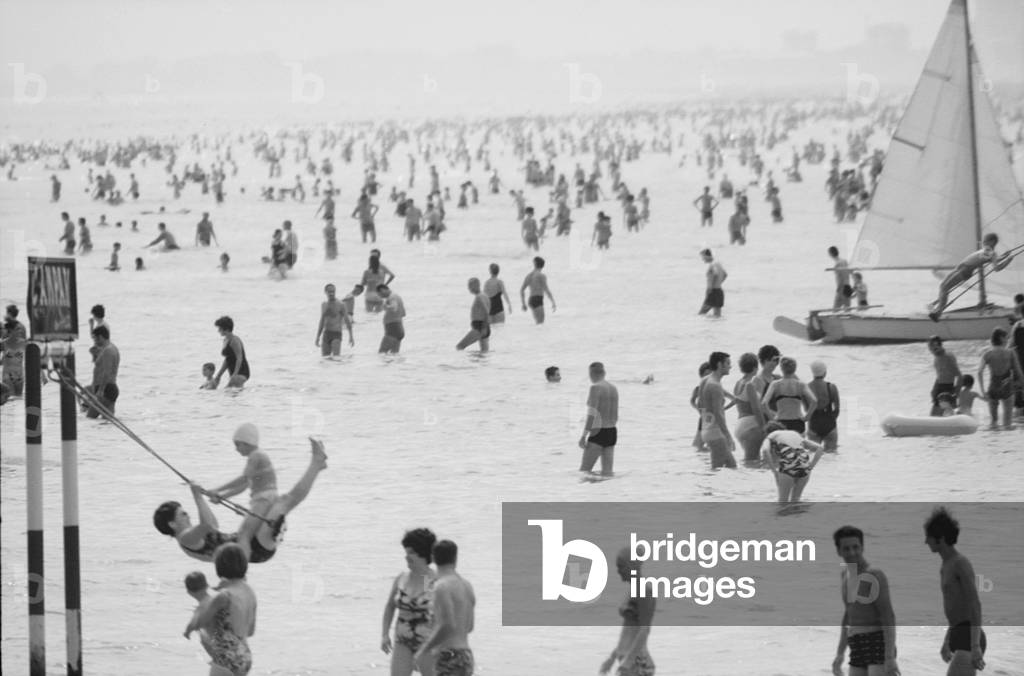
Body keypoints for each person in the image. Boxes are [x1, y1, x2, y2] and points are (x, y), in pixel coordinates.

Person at [153, 436, 327, 563]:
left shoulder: (191, 537)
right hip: (254, 547)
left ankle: (317, 464)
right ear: (172, 524)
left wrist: (209, 494)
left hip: (251, 542)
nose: (187, 515)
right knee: (285, 501)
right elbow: (209, 525)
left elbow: (213, 524)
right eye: (182, 514)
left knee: (284, 501)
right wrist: (197, 495)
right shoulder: (185, 538)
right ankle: (317, 463)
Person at [924, 507, 986, 676]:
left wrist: (975, 646)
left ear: (941, 538)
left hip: (969, 636)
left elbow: (975, 604)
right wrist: (947, 641)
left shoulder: (960, 563)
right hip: (958, 635)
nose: (925, 541)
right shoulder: (945, 566)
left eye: (928, 537)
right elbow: (954, 610)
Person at [832, 525, 900, 676]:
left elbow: (888, 616)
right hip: (856, 645)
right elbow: (848, 616)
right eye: (846, 548)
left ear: (862, 547)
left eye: (856, 547)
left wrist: (889, 657)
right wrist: (840, 653)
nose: (852, 552)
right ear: (838, 551)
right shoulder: (845, 575)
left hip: (877, 643)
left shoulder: (874, 574)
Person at [183, 544, 256, 676]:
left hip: (225, 659)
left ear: (219, 567)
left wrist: (189, 629)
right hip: (244, 657)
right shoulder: (250, 592)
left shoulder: (223, 596)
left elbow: (201, 621)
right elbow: (250, 631)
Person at [381, 528, 438, 676]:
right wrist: (385, 634)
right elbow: (390, 607)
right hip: (402, 641)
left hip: (427, 643)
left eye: (411, 552)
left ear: (423, 553)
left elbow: (440, 614)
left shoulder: (429, 580)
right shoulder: (402, 578)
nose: (406, 557)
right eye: (406, 552)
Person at [414, 540, 475, 676]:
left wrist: (423, 650)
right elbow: (470, 626)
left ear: (433, 558)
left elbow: (448, 625)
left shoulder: (441, 586)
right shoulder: (467, 586)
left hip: (448, 656)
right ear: (455, 558)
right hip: (466, 655)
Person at [930, 233, 1012, 321]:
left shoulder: (990, 252)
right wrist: (1004, 256)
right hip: (960, 268)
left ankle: (938, 312)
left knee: (945, 288)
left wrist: (1008, 259)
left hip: (965, 270)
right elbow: (992, 259)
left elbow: (996, 268)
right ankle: (937, 310)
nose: (983, 241)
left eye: (986, 240)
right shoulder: (989, 252)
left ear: (992, 242)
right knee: (942, 286)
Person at [600, 547, 655, 676]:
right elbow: (629, 632)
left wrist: (627, 663)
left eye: (621, 566)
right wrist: (612, 658)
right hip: (628, 662)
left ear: (631, 566)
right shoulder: (634, 590)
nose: (618, 571)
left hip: (637, 664)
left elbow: (644, 630)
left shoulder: (644, 591)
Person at [182, 571, 235, 676]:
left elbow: (192, 625)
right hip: (235, 654)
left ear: (188, 592)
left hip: (221, 660)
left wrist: (187, 633)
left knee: (203, 636)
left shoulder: (200, 610)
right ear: (207, 585)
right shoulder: (218, 602)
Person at [761, 421, 825, 503]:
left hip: (788, 467)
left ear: (767, 432)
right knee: (796, 501)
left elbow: (765, 450)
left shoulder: (771, 436)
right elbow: (820, 448)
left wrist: (774, 472)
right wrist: (811, 467)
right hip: (805, 467)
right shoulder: (794, 434)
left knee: (782, 502)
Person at [976, 327, 1024, 428]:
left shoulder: (987, 354)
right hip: (1007, 388)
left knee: (993, 423)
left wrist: (983, 391)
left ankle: (993, 437)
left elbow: (979, 372)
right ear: (1001, 338)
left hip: (993, 388)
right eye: (1006, 338)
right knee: (1007, 424)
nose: (1008, 340)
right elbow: (1018, 372)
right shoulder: (1010, 353)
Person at [697, 352, 737, 469]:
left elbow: (700, 404)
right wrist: (728, 436)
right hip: (715, 433)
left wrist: (732, 398)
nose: (730, 366)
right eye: (728, 363)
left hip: (707, 429)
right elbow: (718, 414)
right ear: (720, 364)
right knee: (718, 469)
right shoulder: (715, 385)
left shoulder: (706, 380)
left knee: (730, 466)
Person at [579, 362, 619, 477]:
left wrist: (584, 436)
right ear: (604, 373)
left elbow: (592, 414)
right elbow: (616, 415)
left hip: (598, 432)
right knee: (607, 474)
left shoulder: (595, 387)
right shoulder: (613, 388)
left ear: (591, 374)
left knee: (584, 472)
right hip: (612, 432)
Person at [762, 357, 817, 434]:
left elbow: (764, 403)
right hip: (798, 421)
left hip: (781, 421)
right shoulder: (801, 384)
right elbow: (814, 401)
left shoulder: (775, 384)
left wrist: (772, 419)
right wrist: (807, 417)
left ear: (781, 368)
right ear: (795, 369)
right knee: (798, 441)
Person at [732, 353, 767, 464]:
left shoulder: (738, 383)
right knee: (753, 461)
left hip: (740, 424)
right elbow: (756, 408)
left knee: (750, 460)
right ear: (755, 367)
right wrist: (764, 427)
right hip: (751, 425)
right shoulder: (750, 385)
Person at [85, 326, 119, 418]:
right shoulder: (110, 348)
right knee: (107, 422)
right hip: (109, 388)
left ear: (100, 337)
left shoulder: (108, 350)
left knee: (90, 418)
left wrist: (100, 390)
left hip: (105, 390)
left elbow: (107, 372)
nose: (94, 342)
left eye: (95, 339)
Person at [806, 361, 840, 452]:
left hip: (814, 424)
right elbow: (837, 409)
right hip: (829, 423)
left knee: (813, 455)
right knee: (831, 455)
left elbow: (806, 409)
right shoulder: (831, 387)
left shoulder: (807, 387)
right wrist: (831, 420)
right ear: (825, 372)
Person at [315, 283, 354, 357]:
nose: (332, 293)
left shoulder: (341, 304)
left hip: (336, 334)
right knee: (325, 359)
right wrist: (317, 337)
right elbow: (322, 321)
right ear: (325, 292)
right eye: (329, 291)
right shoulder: (324, 304)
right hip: (326, 334)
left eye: (333, 291)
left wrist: (351, 336)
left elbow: (347, 321)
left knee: (336, 358)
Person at [928, 336, 962, 417]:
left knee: (942, 415)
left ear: (940, 346)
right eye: (930, 348)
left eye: (935, 348)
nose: (932, 351)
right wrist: (934, 389)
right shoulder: (936, 357)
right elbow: (939, 375)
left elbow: (960, 376)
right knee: (935, 416)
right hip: (939, 387)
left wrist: (956, 393)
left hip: (948, 388)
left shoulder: (948, 357)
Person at [214, 316, 250, 388]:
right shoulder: (225, 340)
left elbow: (239, 358)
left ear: (226, 329)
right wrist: (219, 375)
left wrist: (235, 374)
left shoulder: (234, 340)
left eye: (220, 329)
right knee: (231, 392)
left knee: (228, 391)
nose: (218, 331)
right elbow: (227, 360)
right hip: (233, 372)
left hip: (241, 372)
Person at [456, 278, 490, 353]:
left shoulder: (479, 296)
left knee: (459, 347)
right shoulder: (484, 295)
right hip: (484, 327)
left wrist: (483, 328)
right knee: (484, 353)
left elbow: (486, 312)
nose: (468, 288)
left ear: (475, 285)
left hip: (479, 328)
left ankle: (462, 361)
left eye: (470, 286)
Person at [1, 305, 28, 398]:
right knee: (14, 399)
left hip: (16, 371)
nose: (18, 331)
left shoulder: (5, 328)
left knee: (15, 399)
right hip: (14, 371)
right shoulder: (22, 327)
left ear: (9, 313)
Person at [520, 256, 557, 324]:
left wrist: (523, 304)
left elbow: (522, 290)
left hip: (531, 300)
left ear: (535, 264)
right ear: (543, 266)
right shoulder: (541, 275)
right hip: (537, 299)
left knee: (538, 323)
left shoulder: (529, 275)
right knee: (540, 323)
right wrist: (553, 302)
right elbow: (546, 289)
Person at [698, 249, 727, 318]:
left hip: (713, 292)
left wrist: (710, 288)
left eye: (703, 257)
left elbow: (715, 273)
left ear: (707, 256)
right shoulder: (718, 264)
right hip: (719, 291)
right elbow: (725, 274)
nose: (702, 259)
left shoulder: (712, 265)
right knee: (717, 317)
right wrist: (718, 283)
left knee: (700, 314)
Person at [378, 284, 406, 354]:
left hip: (392, 329)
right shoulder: (397, 297)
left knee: (382, 352)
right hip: (399, 328)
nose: (380, 296)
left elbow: (394, 308)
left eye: (379, 294)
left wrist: (385, 307)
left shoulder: (392, 297)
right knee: (394, 355)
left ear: (382, 290)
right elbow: (403, 313)